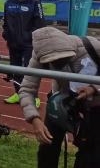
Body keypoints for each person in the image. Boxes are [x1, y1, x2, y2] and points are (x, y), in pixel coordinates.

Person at [17, 27, 100, 167]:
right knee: (46, 150)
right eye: (53, 61)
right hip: (62, 102)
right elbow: (27, 88)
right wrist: (34, 119)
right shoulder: (39, 53)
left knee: (91, 156)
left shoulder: (93, 46)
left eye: (63, 58)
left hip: (96, 106)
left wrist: (94, 88)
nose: (58, 63)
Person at [3, 0, 45, 105]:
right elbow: (5, 22)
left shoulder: (34, 2)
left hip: (29, 44)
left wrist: (31, 38)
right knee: (15, 69)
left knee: (30, 71)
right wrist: (6, 35)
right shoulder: (8, 3)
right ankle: (17, 93)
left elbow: (41, 23)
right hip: (13, 43)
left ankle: (34, 97)